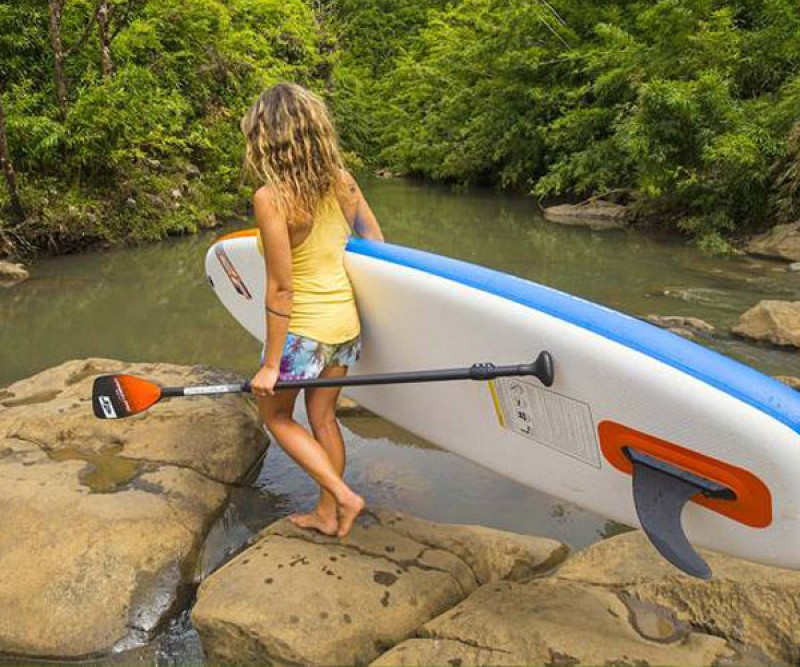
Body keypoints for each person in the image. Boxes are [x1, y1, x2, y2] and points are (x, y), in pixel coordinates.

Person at [241, 83, 384, 538]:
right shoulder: (343, 182)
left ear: (265, 137)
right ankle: (328, 514)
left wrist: (269, 365)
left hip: (304, 330)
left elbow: (282, 288)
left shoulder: (273, 198)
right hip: (345, 325)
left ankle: (342, 496)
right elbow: (377, 247)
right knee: (323, 418)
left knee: (277, 416)